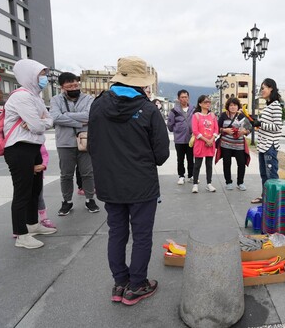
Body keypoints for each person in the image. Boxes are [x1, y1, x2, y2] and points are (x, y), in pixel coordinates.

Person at [88, 56, 170, 305]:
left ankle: (120, 283)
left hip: (109, 182)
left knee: (116, 232)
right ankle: (137, 285)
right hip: (141, 183)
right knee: (142, 235)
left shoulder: (98, 106)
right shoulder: (148, 109)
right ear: (141, 82)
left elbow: (92, 145)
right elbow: (162, 154)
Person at [3, 59, 57, 249]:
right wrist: (41, 123)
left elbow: (50, 120)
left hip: (33, 147)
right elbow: (37, 124)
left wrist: (42, 123)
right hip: (19, 148)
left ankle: (33, 225)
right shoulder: (21, 97)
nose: (44, 78)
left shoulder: (36, 97)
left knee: (35, 190)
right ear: (29, 75)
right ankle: (21, 234)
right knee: (22, 192)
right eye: (41, 74)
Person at [50, 72, 99, 215]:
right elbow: (55, 117)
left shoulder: (88, 98)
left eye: (76, 85)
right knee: (66, 174)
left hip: (84, 140)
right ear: (62, 87)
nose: (74, 87)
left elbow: (90, 116)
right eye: (70, 85)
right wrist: (80, 121)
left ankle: (90, 199)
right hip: (64, 143)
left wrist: (66, 115)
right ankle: (67, 201)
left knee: (88, 173)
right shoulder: (55, 100)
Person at [250, 78, 283, 204]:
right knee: (264, 175)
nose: (261, 91)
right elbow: (267, 124)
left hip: (270, 146)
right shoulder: (269, 106)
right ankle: (265, 197)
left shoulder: (276, 106)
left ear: (271, 88)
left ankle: (274, 201)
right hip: (263, 146)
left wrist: (260, 124)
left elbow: (277, 127)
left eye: (263, 88)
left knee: (272, 176)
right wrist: (257, 123)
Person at [217, 97, 251, 191]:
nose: (233, 107)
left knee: (241, 163)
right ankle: (228, 182)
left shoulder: (241, 115)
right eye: (231, 105)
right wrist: (225, 130)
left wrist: (244, 132)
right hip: (226, 144)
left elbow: (250, 128)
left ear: (238, 106)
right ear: (228, 106)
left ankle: (240, 182)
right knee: (227, 163)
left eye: (235, 105)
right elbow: (217, 128)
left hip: (239, 145)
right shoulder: (223, 115)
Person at [191, 95, 219, 193]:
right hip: (200, 143)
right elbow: (195, 130)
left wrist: (211, 139)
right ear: (200, 104)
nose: (208, 104)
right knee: (197, 165)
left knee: (209, 164)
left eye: (209, 102)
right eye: (205, 102)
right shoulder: (196, 116)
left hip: (211, 143)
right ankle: (195, 183)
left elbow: (216, 129)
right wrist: (206, 140)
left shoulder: (212, 116)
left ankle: (209, 183)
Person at [167, 90, 195, 185]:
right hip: (179, 139)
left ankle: (191, 175)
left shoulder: (193, 109)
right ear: (179, 98)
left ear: (188, 98)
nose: (184, 99)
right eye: (182, 97)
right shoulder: (174, 110)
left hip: (191, 139)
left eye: (186, 97)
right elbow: (170, 125)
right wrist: (177, 130)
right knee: (180, 159)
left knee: (191, 158)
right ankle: (181, 176)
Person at [37, 144, 56, 228]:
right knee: (23, 198)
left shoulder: (38, 140)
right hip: (22, 173)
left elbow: (44, 154)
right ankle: (21, 225)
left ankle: (44, 218)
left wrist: (43, 165)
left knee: (39, 196)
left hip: (38, 172)